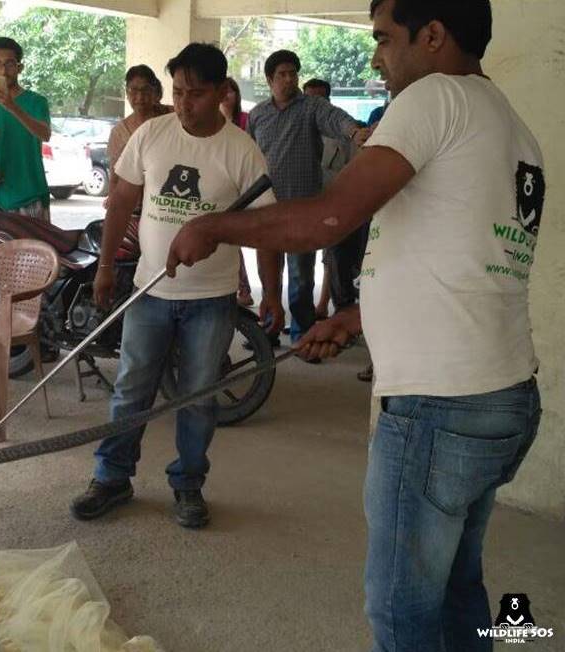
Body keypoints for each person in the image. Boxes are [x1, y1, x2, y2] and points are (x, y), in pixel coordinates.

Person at [167, 1, 544, 649]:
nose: (375, 57)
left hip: (439, 409)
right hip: (502, 395)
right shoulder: (511, 126)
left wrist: (213, 224)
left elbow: (327, 219)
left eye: (384, 39)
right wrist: (356, 314)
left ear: (433, 36)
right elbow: (467, 262)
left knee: (402, 612)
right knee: (457, 587)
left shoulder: (433, 99)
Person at [70, 43, 276, 530]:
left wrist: (270, 292)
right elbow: (120, 201)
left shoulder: (241, 150)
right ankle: (112, 476)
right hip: (150, 291)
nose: (183, 104)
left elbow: (268, 228)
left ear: (223, 93)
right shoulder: (152, 134)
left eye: (196, 94)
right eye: (178, 92)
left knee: (197, 398)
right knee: (130, 390)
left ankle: (187, 484)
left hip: (211, 298)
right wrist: (103, 269)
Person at [247, 50, 368, 348]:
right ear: (269, 80)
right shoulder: (258, 115)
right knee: (268, 276)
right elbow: (247, 154)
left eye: (293, 73)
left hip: (303, 209)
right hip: (266, 208)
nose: (289, 79)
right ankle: (269, 331)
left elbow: (334, 118)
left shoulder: (310, 107)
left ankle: (302, 336)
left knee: (301, 278)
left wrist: (354, 131)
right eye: (282, 74)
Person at [302, 78, 368, 320]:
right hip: (306, 204)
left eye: (321, 99)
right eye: (310, 99)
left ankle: (339, 311)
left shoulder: (346, 132)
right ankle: (312, 311)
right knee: (303, 264)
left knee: (337, 259)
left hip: (339, 207)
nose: (316, 105)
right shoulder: (299, 129)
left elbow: (356, 172)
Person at [0, 36, 52, 221]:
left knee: (34, 251)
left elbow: (45, 134)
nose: (3, 70)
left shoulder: (36, 102)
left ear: (20, 67)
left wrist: (11, 106)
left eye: (10, 64)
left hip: (30, 197)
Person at [106, 65, 171, 203]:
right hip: (133, 208)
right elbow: (114, 178)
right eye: (133, 91)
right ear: (127, 92)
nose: (140, 97)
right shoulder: (119, 133)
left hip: (167, 203)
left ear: (154, 91)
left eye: (145, 90)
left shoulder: (171, 117)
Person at [220, 78, 255, 308]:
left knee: (234, 238)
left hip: (243, 187)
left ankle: (243, 288)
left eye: (230, 91)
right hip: (221, 188)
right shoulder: (212, 121)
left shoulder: (245, 120)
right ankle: (240, 287)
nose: (226, 96)